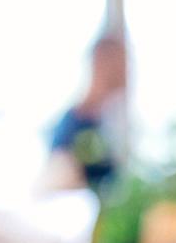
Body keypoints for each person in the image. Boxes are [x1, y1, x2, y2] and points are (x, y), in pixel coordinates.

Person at [45, 33, 127, 190]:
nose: (126, 70)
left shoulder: (107, 118)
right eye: (122, 63)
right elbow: (55, 183)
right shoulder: (74, 124)